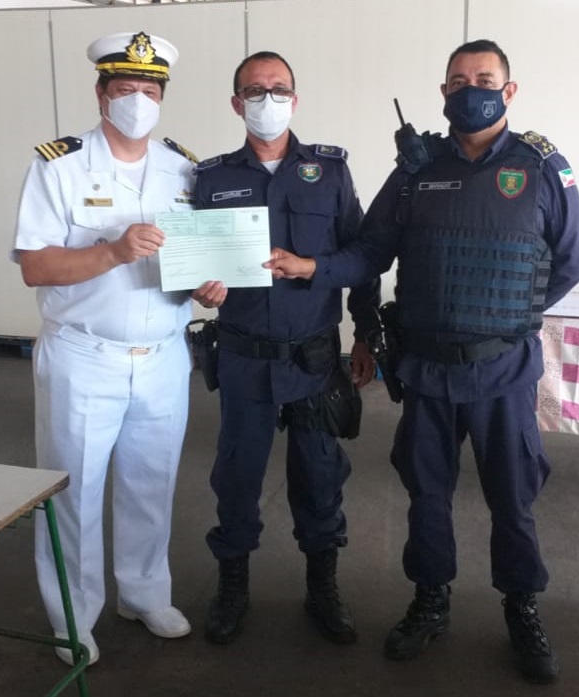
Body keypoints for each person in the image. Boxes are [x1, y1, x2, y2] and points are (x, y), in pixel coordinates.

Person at [264, 39, 579, 684]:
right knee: (426, 495)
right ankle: (430, 601)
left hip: (502, 371)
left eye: (484, 79)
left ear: (509, 91)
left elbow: (570, 263)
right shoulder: (415, 170)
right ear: (443, 92)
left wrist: (503, 316)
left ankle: (521, 608)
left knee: (513, 498)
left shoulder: (542, 167)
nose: (471, 90)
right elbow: (370, 252)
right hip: (428, 371)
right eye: (458, 81)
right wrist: (315, 270)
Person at [12, 31, 217, 666]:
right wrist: (112, 251)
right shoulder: (60, 166)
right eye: (125, 89)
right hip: (84, 355)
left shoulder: (185, 169)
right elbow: (35, 266)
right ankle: (72, 617)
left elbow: (194, 257)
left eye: (149, 91)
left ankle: (144, 593)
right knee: (72, 492)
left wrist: (209, 283)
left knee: (151, 484)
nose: (137, 101)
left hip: (163, 353)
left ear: (162, 98)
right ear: (101, 94)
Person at [192, 51, 380, 646]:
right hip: (244, 357)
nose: (267, 99)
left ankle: (322, 585)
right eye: (254, 90)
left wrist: (364, 331)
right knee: (237, 475)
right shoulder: (211, 178)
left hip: (313, 359)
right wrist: (197, 286)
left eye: (278, 89)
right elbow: (190, 262)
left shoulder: (331, 171)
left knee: (320, 475)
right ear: (236, 103)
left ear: (294, 101)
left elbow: (363, 258)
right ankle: (232, 585)